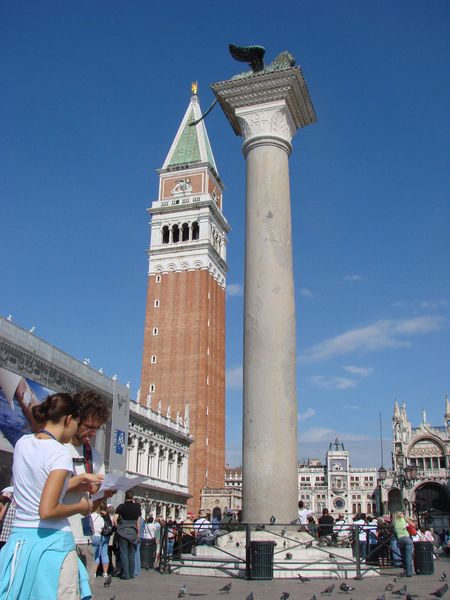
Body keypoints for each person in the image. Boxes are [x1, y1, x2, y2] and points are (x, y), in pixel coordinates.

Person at [0, 393, 99, 599]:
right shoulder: (60, 452)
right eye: (77, 424)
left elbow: (39, 485)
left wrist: (78, 480)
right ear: (69, 420)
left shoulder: (23, 443)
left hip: (20, 541)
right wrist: (82, 507)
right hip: (53, 545)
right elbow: (47, 510)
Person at [63, 389, 112, 574]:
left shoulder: (95, 456)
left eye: (96, 428)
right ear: (74, 418)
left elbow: (90, 507)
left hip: (85, 538)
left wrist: (102, 494)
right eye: (88, 426)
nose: (92, 433)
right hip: (59, 535)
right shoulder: (57, 448)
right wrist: (80, 480)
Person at [114, 489, 141, 579]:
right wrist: (138, 533)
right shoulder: (137, 507)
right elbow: (138, 522)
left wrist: (119, 527)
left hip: (122, 531)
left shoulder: (121, 506)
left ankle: (125, 574)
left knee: (124, 553)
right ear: (132, 497)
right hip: (133, 531)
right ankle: (131, 573)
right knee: (132, 553)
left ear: (125, 496)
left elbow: (114, 519)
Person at [91, 501, 112, 585]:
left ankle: (94, 572)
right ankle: (105, 573)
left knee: (97, 554)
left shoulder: (100, 515)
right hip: (107, 537)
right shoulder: (107, 515)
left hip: (100, 535)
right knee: (104, 554)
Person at [392, 510, 414, 577]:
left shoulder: (394, 521)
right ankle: (409, 572)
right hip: (406, 538)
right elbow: (413, 525)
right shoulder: (403, 518)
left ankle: (404, 570)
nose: (403, 514)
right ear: (400, 514)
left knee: (403, 556)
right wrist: (406, 518)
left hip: (399, 539)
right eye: (402, 513)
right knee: (408, 556)